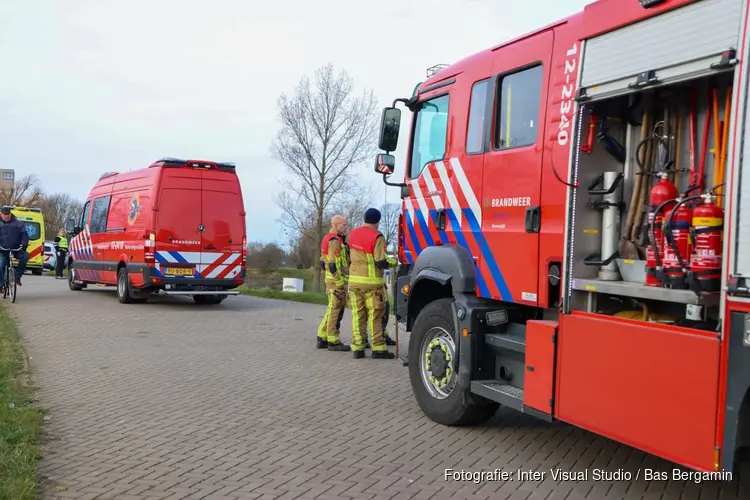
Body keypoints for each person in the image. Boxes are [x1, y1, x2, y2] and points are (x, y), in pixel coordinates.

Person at [347, 208, 397, 359]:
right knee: (375, 316)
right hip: (372, 284)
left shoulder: (353, 234)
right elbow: (380, 261)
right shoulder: (378, 236)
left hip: (354, 282)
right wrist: (394, 261)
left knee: (358, 315)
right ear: (378, 221)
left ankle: (358, 348)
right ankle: (378, 348)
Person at [316, 214, 351, 351]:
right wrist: (339, 283)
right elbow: (333, 265)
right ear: (335, 225)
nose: (346, 227)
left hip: (330, 280)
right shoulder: (334, 241)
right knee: (336, 310)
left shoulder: (328, 238)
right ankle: (333, 340)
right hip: (335, 281)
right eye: (343, 225)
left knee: (332, 309)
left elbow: (321, 262)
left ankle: (322, 336)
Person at [0, 206, 29, 288]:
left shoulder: (19, 224)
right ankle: (1, 284)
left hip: (16, 249)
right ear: (1, 214)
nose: (6, 216)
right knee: (1, 264)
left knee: (26, 256)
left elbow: (25, 235)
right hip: (2, 249)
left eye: (8, 214)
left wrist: (23, 245)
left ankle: (17, 276)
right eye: (5, 214)